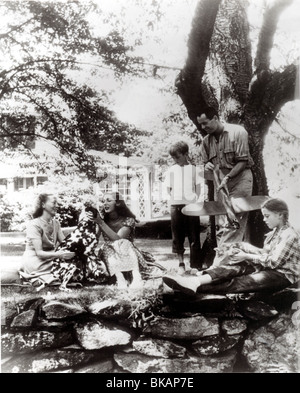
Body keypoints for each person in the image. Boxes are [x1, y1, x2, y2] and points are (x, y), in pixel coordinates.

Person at [163, 199, 300, 295]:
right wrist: (239, 247)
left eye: (267, 216)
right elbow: (265, 253)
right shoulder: (276, 232)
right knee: (232, 269)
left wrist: (246, 256)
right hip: (268, 268)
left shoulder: (289, 235)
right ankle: (194, 281)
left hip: (283, 276)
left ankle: (190, 288)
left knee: (240, 282)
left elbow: (274, 262)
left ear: (280, 214)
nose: (264, 219)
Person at [197, 107, 254, 245]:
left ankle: (221, 260)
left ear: (215, 118)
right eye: (201, 125)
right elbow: (206, 165)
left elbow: (243, 161)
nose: (203, 127)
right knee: (222, 225)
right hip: (220, 183)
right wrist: (207, 166)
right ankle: (230, 260)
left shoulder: (238, 132)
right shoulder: (205, 142)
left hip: (240, 178)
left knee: (234, 220)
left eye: (205, 123)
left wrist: (228, 178)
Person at [91, 192, 149, 289]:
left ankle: (136, 276)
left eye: (109, 200)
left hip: (126, 250)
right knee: (106, 247)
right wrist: (95, 224)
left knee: (123, 242)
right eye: (103, 201)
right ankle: (120, 278)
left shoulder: (129, 220)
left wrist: (101, 223)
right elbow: (94, 239)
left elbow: (118, 238)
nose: (105, 203)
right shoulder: (103, 221)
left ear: (118, 203)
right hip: (109, 253)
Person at [19, 194, 75, 288]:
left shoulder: (55, 223)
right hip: (35, 260)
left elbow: (66, 244)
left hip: (50, 258)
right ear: (43, 205)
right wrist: (59, 255)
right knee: (65, 267)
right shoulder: (34, 224)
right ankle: (40, 278)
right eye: (54, 202)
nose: (57, 206)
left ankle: (48, 278)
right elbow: (39, 253)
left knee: (73, 265)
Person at [164, 141, 204, 273]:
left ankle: (195, 265)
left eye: (178, 157)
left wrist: (194, 199)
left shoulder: (194, 169)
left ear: (186, 154)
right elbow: (168, 188)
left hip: (191, 206)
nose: (176, 160)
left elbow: (198, 188)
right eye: (173, 158)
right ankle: (181, 263)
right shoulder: (171, 170)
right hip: (176, 206)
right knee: (177, 235)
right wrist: (176, 199)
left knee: (194, 235)